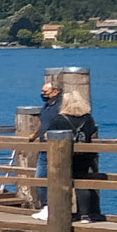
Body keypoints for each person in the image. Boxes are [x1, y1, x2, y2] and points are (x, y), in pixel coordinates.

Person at [37, 74, 104, 221]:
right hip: (84, 155)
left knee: (59, 182)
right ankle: (85, 214)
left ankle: (58, 213)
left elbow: (50, 135)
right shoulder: (88, 118)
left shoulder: (59, 119)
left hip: (63, 156)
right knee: (82, 184)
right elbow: (92, 133)